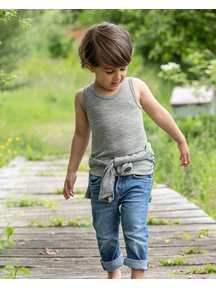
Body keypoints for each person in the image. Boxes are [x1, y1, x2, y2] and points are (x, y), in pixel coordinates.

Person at [63, 22, 190, 279]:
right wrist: (72, 171)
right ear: (90, 66)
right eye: (109, 71)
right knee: (105, 232)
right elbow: (80, 134)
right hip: (103, 176)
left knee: (135, 227)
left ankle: (137, 277)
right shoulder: (83, 97)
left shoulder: (136, 87)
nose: (118, 76)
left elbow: (159, 113)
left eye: (123, 68)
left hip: (138, 171)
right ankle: (113, 273)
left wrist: (180, 140)